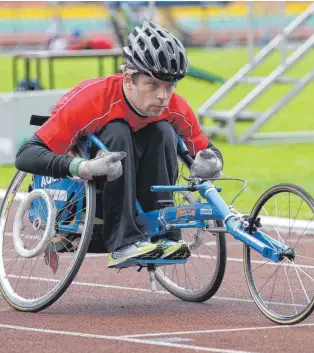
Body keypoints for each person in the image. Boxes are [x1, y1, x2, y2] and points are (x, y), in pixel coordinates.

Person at [15, 21, 223, 268]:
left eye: (170, 86)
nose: (163, 95)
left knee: (164, 131)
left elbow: (206, 151)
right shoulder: (90, 100)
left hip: (138, 169)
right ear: (128, 79)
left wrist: (213, 162)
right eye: (152, 84)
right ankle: (123, 241)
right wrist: (82, 167)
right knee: (117, 129)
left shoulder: (175, 107)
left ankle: (164, 235)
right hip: (93, 179)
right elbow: (26, 155)